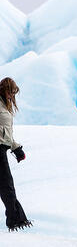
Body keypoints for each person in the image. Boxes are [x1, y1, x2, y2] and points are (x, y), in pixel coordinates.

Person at [0, 77, 32, 232]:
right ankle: (15, 220)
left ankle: (17, 218)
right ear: (5, 89)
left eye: (14, 93)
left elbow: (7, 133)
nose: (12, 96)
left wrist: (16, 148)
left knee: (6, 185)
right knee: (7, 185)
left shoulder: (4, 106)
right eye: (11, 92)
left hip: (3, 148)